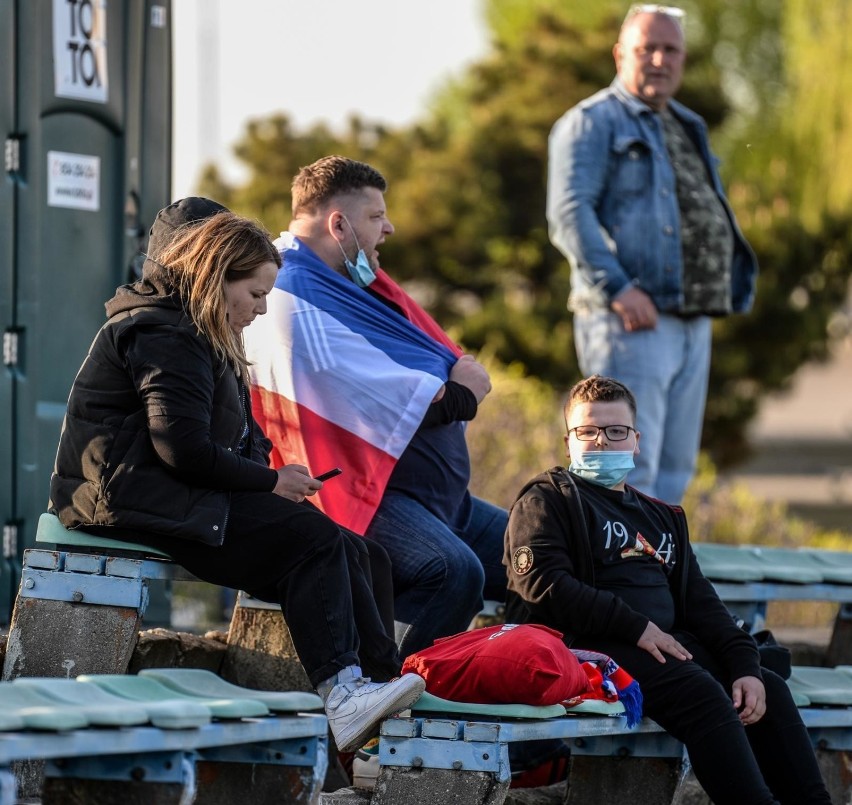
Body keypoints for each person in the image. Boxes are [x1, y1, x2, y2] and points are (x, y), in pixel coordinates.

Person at [48, 197, 425, 753]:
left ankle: (377, 693)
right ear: (213, 277)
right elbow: (182, 450)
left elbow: (230, 444)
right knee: (315, 542)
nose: (260, 309)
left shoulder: (202, 335)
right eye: (255, 295)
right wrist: (273, 484)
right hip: (128, 498)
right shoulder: (164, 333)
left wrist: (273, 479)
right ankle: (344, 696)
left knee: (363, 553)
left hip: (178, 494)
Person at [504, 375, 831, 804]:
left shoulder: (661, 518)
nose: (602, 441)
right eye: (588, 431)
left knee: (768, 687)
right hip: (581, 647)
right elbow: (542, 584)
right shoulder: (547, 501)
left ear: (636, 441)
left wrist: (744, 664)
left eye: (616, 431)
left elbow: (701, 603)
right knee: (701, 694)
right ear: (569, 442)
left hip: (661, 646)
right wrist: (635, 626)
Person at [243, 156, 508, 657]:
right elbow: (363, 395)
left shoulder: (345, 286)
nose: (389, 227)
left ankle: (535, 700)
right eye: (375, 216)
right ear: (337, 223)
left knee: (546, 560)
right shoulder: (293, 296)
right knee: (453, 573)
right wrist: (461, 391)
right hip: (369, 494)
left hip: (442, 502)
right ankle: (390, 706)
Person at [546, 4, 758, 504]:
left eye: (671, 49)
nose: (660, 59)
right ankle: (620, 574)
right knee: (621, 466)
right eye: (648, 49)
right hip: (630, 319)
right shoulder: (589, 123)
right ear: (621, 54)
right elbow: (569, 214)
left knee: (674, 469)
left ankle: (658, 575)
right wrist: (619, 289)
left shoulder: (686, 123)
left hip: (689, 318)